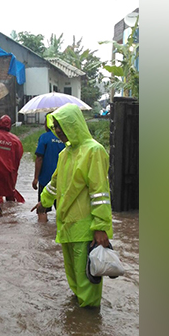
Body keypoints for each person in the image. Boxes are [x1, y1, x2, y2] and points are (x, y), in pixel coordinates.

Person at [31, 103, 113, 308]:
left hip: (86, 230)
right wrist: (44, 202)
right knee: (75, 281)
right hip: (67, 226)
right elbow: (55, 183)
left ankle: (88, 327)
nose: (58, 130)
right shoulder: (65, 153)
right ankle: (80, 324)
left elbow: (100, 193)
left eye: (61, 125)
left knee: (87, 281)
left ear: (73, 123)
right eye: (55, 126)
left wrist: (101, 227)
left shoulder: (94, 151)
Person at [32, 112, 67, 222]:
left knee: (42, 210)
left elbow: (39, 158)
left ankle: (43, 235)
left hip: (46, 179)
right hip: (63, 179)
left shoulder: (44, 138)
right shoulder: (65, 137)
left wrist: (36, 178)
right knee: (62, 211)